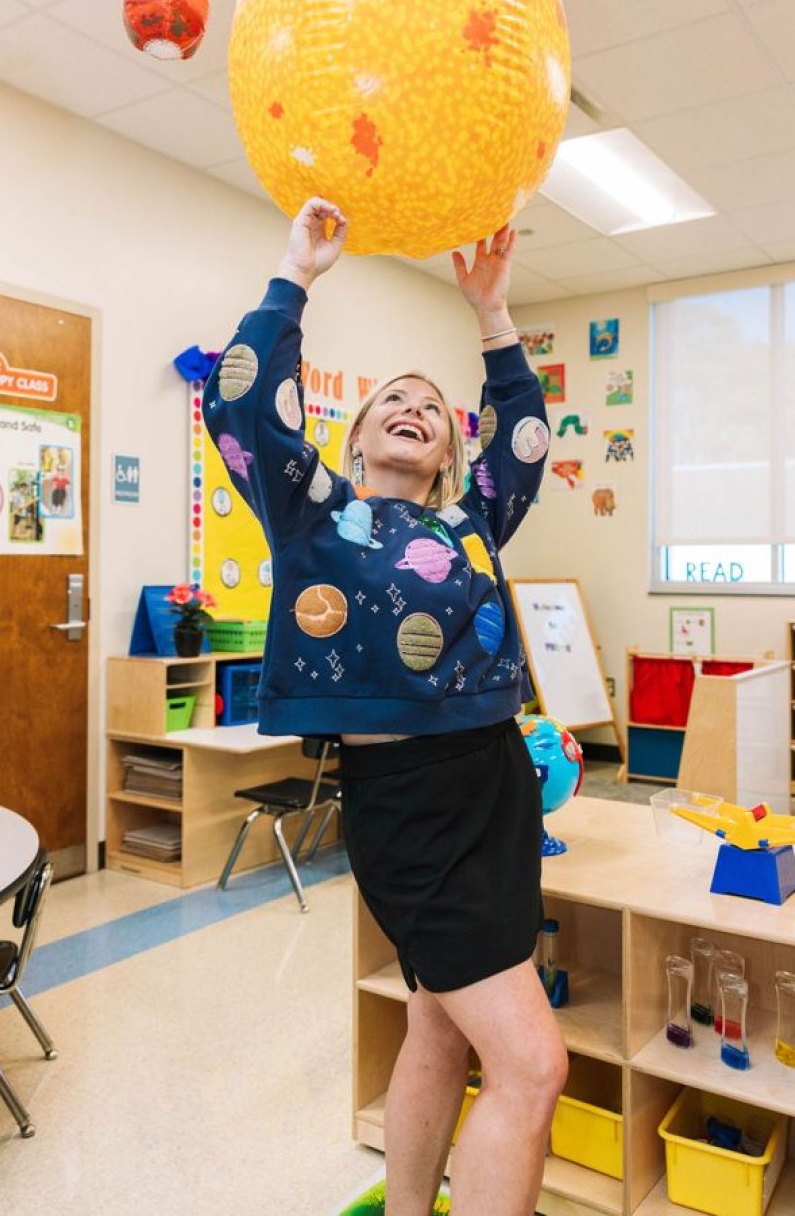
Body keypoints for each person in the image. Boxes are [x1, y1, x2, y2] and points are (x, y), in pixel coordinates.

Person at [204, 197, 567, 1216]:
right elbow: (241, 407)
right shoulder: (317, 512)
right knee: (534, 1066)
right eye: (392, 400)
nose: (415, 408)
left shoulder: (471, 521)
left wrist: (492, 316)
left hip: (498, 788)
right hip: (408, 806)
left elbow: (527, 442)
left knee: (440, 1027)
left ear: (450, 452)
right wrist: (296, 274)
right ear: (355, 433)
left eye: (434, 407)